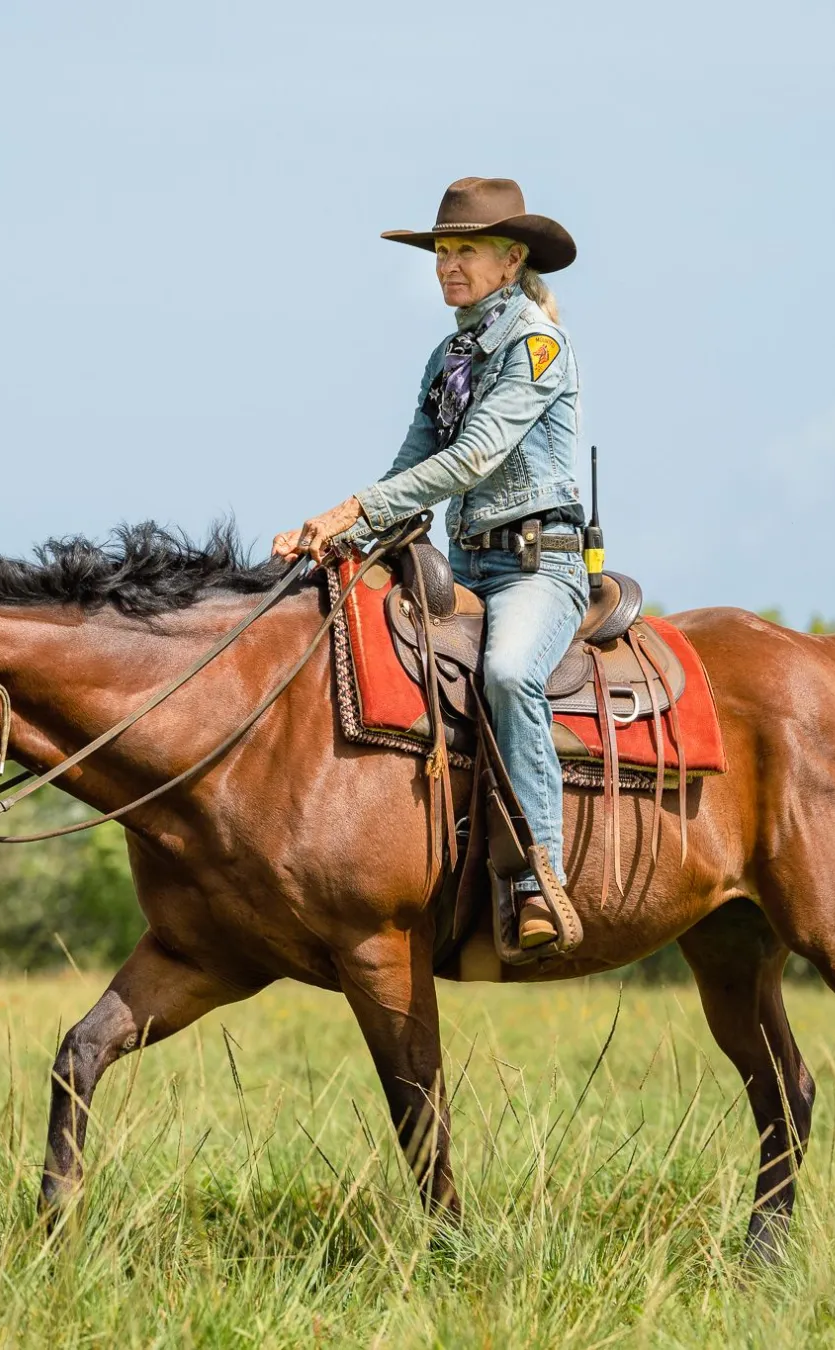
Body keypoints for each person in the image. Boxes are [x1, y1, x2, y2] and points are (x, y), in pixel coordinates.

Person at [273, 176, 586, 950]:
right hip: (466, 565)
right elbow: (413, 463)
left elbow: (475, 455)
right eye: (442, 252)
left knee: (510, 673)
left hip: (537, 567)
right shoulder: (447, 354)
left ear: (511, 261)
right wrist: (341, 534)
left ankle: (536, 878)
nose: (449, 265)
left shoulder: (538, 346)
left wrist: (357, 507)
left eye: (466, 251)